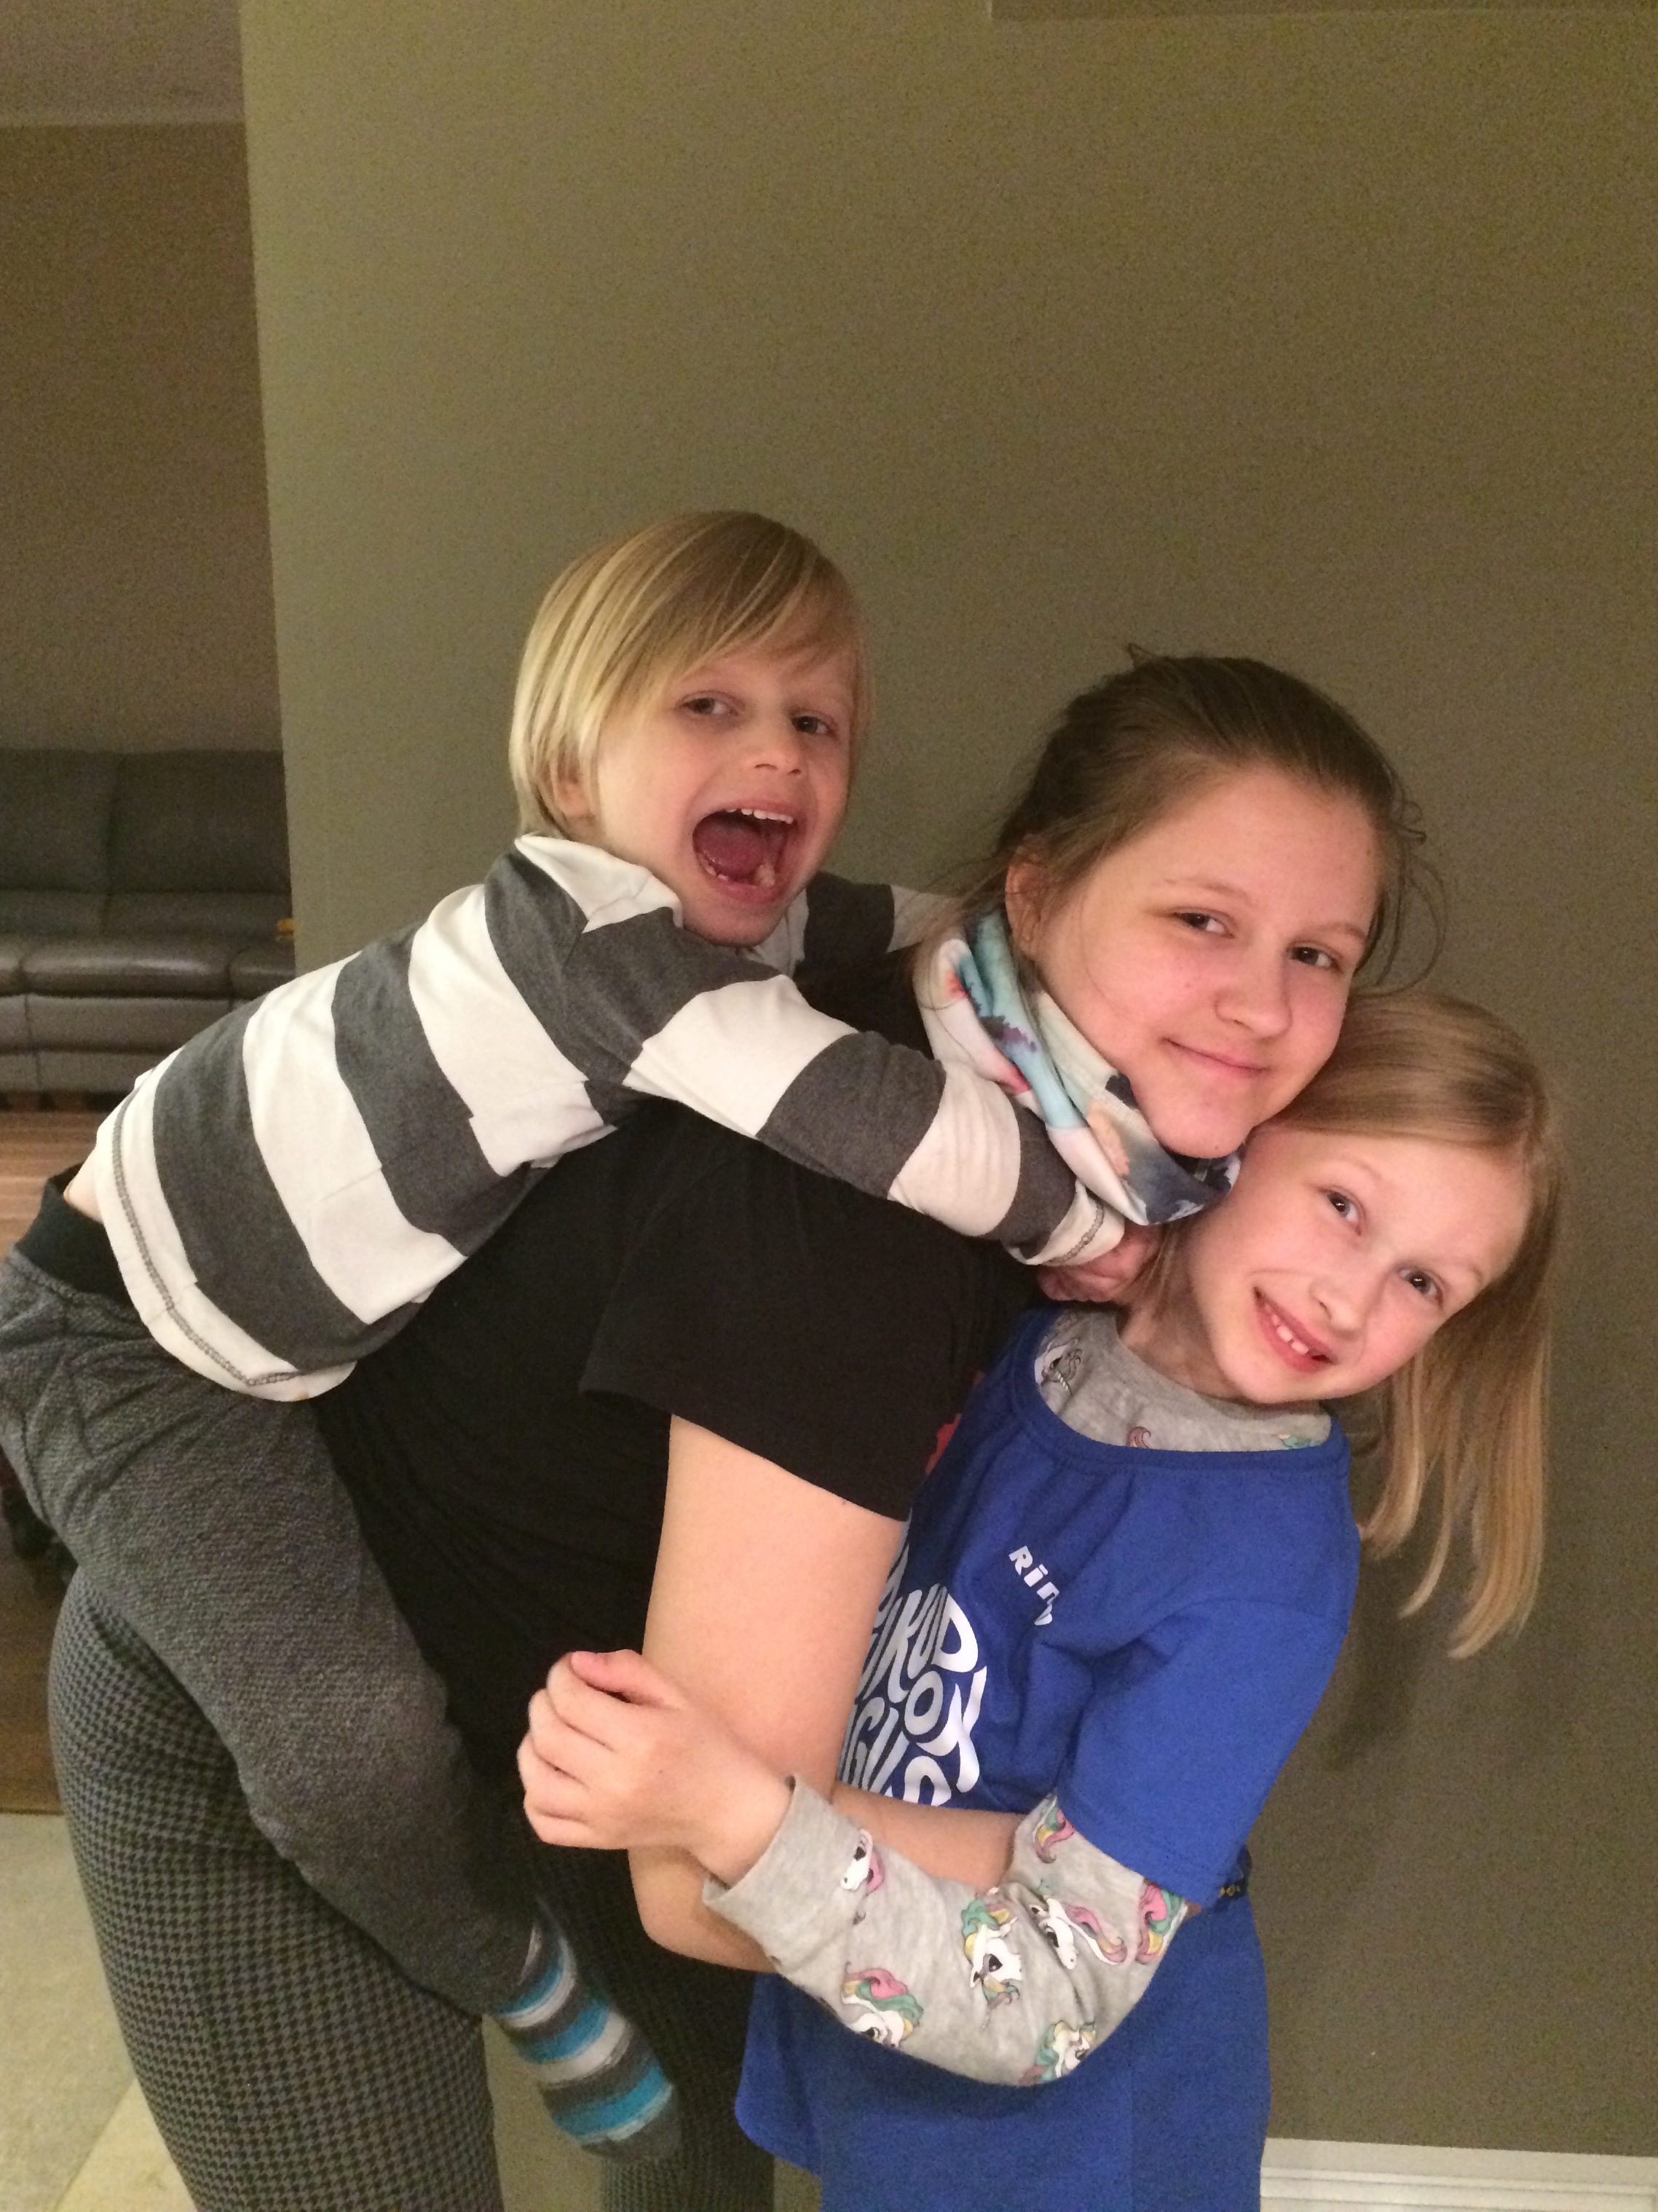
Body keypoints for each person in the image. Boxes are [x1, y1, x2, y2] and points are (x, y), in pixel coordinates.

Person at [17, 638, 1413, 2211]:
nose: (1260, 1004)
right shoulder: (857, 1214)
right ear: (1033, 893)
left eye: (1319, 952)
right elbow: (703, 1879)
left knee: (701, 2171)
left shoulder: (1137, 1181)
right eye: (1200, 919)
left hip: (623, 1734)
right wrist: (1128, 1880)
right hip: (279, 1707)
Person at [517, 990, 1559, 2211]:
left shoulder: (1263, 1580)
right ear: (1235, 1130)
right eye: (1342, 1205)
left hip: (1066, 2149)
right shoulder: (1038, 1335)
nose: (1347, 1299)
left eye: (1423, 1281)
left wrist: (727, 1809)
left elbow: (1054, 1992)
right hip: (896, 2067)